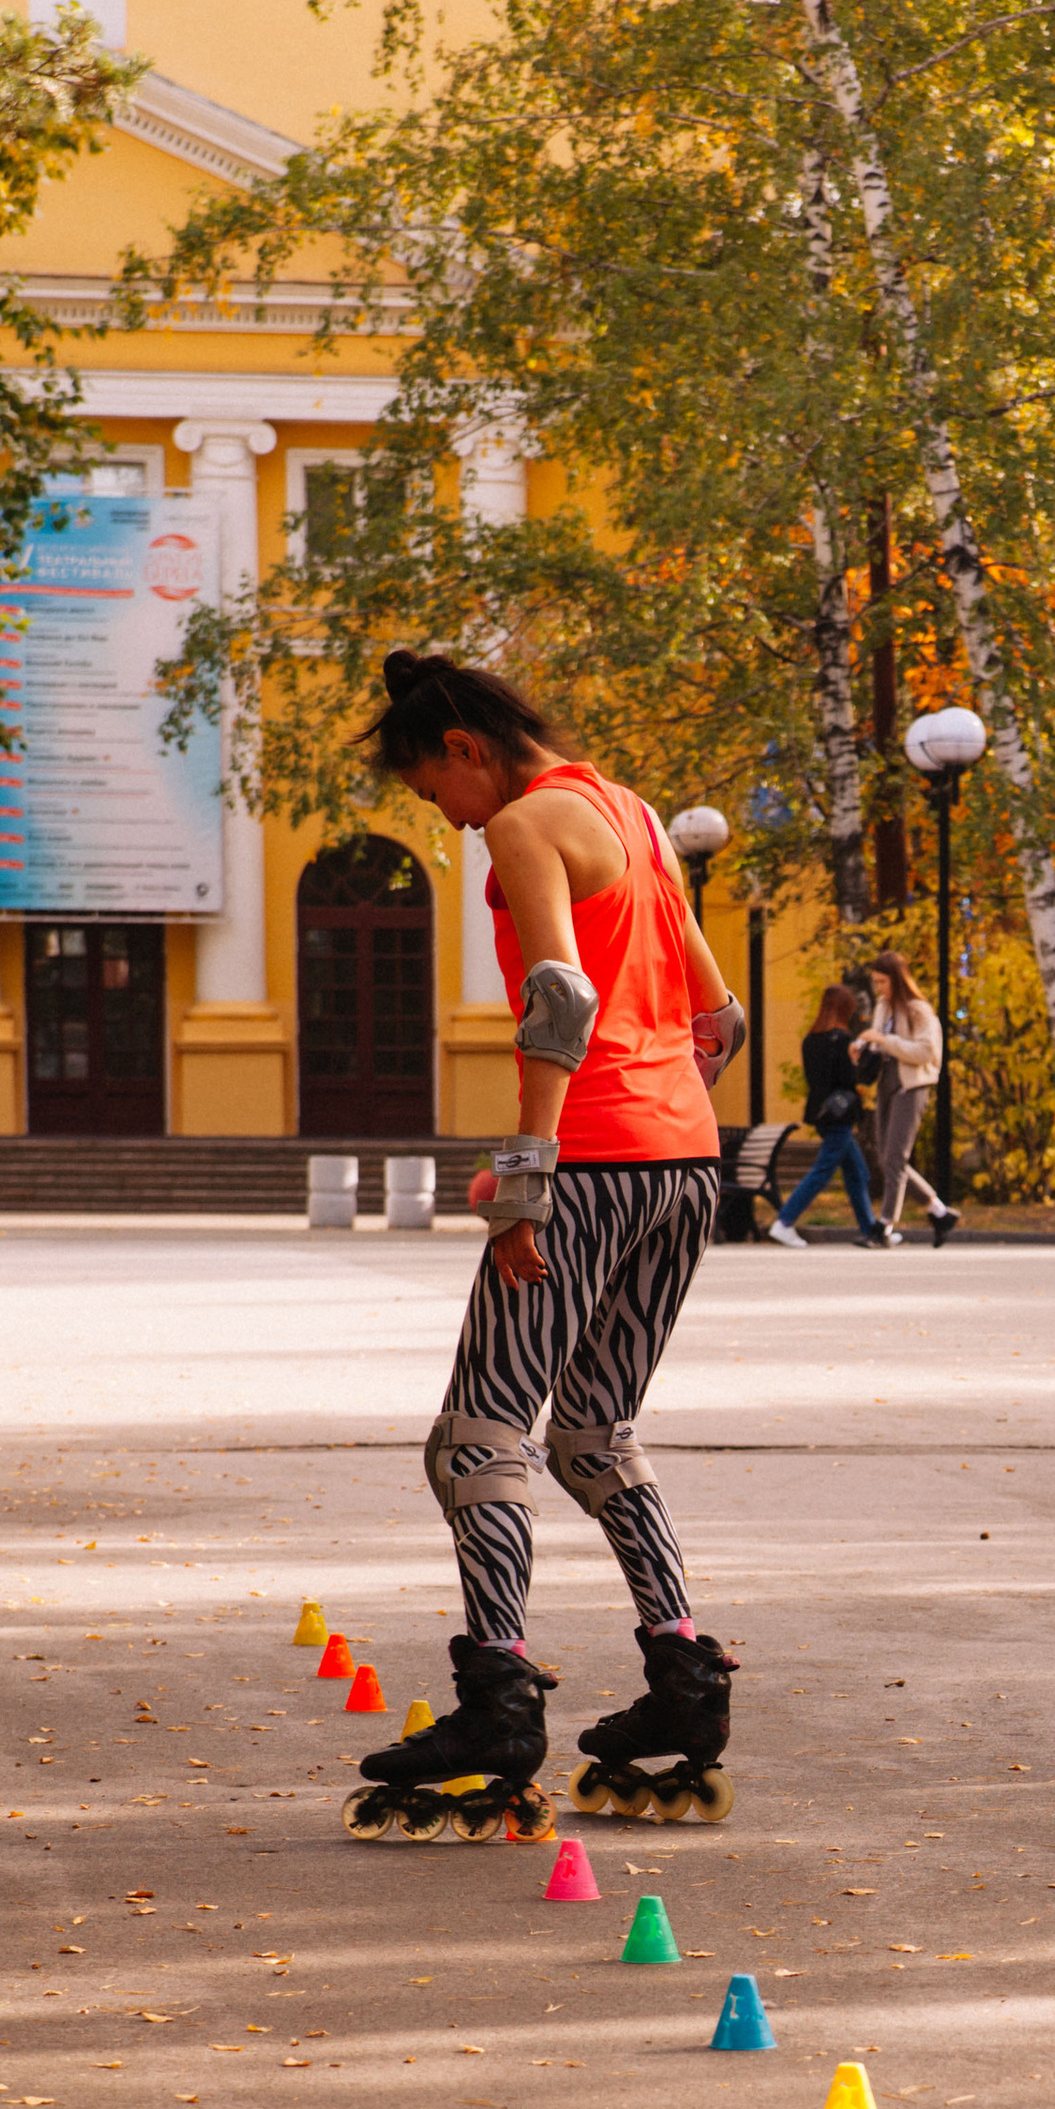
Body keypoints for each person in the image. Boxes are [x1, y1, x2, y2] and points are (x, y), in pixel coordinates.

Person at [341, 648, 743, 1836]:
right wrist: (660, 1102)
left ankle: (499, 1697)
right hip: (684, 1162)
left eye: (432, 795)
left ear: (465, 750)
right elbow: (714, 1016)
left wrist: (530, 1173)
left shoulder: (528, 822)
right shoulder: (633, 813)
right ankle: (684, 1680)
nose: (452, 824)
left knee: (478, 1437)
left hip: (597, 1163)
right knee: (593, 1433)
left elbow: (560, 999)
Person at [855, 949, 963, 1246]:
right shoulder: (883, 1006)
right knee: (888, 1159)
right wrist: (863, 1048)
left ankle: (884, 1227)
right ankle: (939, 1212)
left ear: (898, 980)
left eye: (883, 982)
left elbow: (927, 1052)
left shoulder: (919, 1010)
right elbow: (879, 1042)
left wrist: (885, 1041)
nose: (879, 989)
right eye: (876, 983)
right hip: (886, 1085)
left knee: (895, 1159)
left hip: (912, 1087)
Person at [764, 983, 884, 1247]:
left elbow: (814, 1078)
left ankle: (871, 1229)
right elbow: (850, 1079)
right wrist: (858, 1060)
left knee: (857, 1173)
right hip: (839, 1117)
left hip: (820, 1112)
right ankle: (784, 1222)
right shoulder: (842, 1041)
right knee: (822, 1171)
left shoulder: (810, 1039)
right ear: (845, 1010)